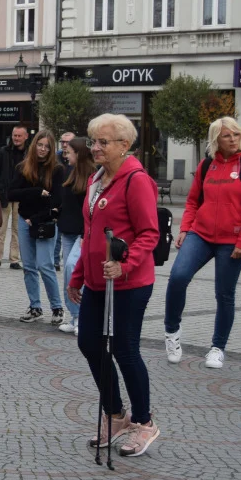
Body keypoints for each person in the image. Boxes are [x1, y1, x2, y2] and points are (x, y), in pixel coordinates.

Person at [69, 113, 161, 458]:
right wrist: (79, 274)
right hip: (97, 280)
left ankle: (144, 422)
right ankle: (115, 414)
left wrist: (125, 265)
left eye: (103, 142)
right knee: (90, 344)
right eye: (93, 141)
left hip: (129, 282)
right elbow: (90, 234)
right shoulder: (97, 179)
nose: (95, 147)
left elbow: (149, 232)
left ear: (125, 145)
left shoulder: (135, 180)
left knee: (125, 349)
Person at [164, 117, 241, 369]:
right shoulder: (207, 164)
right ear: (216, 139)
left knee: (224, 294)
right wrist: (185, 228)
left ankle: (217, 348)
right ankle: (172, 332)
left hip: (233, 240)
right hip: (201, 234)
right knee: (178, 277)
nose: (232, 140)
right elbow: (193, 201)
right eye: (226, 136)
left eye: (236, 135)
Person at [9, 129, 65, 325]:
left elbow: (56, 201)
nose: (42, 149)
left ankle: (57, 307)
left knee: (45, 265)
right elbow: (11, 193)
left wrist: (38, 216)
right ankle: (35, 307)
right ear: (34, 145)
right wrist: (35, 192)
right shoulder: (23, 167)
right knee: (29, 267)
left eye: (47, 147)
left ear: (51, 150)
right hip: (24, 221)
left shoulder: (57, 170)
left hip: (45, 222)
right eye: (40, 145)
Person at [56, 137, 96, 336]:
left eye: (69, 151)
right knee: (68, 275)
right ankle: (74, 316)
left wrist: (84, 233)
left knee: (73, 267)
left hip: (83, 234)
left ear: (79, 154)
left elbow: (91, 208)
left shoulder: (92, 175)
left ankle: (83, 317)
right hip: (67, 231)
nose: (66, 154)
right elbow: (66, 202)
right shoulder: (69, 172)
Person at [0, 124, 28, 270]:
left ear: (25, 137)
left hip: (21, 196)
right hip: (4, 195)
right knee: (0, 228)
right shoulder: (3, 151)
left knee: (17, 230)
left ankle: (14, 260)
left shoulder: (29, 154)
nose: (16, 138)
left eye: (19, 136)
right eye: (14, 135)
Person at [55, 131, 76, 270]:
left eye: (67, 142)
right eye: (62, 141)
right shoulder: (55, 157)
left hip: (71, 202)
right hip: (57, 198)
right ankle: (55, 260)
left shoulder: (77, 161)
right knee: (57, 234)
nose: (64, 144)